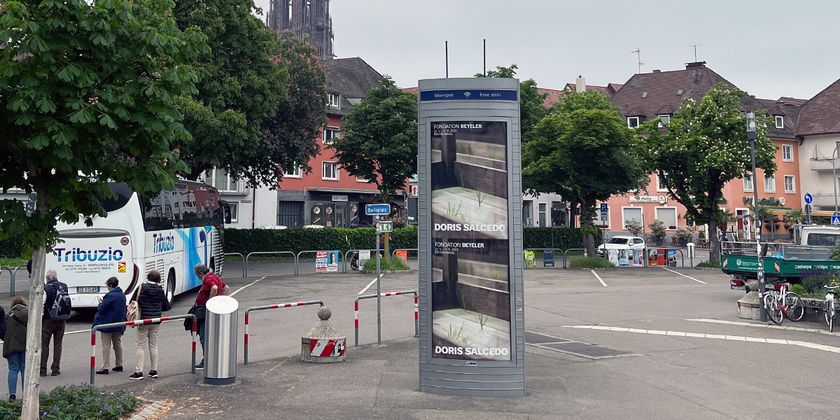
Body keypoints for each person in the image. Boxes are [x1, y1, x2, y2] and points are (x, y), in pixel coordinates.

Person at [130, 270, 171, 380]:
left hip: (143, 320)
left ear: (148, 277)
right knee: (153, 345)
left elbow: (132, 302)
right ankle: (154, 370)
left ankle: (139, 372)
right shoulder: (160, 290)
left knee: (140, 346)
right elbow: (167, 306)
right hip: (156, 321)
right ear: (158, 279)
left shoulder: (141, 288)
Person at [193, 264, 229, 369]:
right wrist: (220, 300)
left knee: (203, 335)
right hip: (214, 309)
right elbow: (226, 288)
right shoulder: (215, 276)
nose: (197, 277)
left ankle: (207, 360)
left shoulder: (208, 279)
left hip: (206, 311)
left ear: (200, 273)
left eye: (197, 275)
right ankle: (212, 357)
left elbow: (214, 287)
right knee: (211, 335)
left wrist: (210, 301)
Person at [92, 277, 126, 375]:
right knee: (117, 344)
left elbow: (102, 309)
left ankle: (105, 367)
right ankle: (119, 364)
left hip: (108, 323)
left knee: (106, 345)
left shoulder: (110, 296)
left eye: (107, 285)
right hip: (119, 322)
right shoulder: (122, 295)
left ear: (110, 285)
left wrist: (100, 302)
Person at [41, 269, 67, 376]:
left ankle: (43, 369)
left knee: (45, 345)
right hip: (61, 319)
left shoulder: (45, 288)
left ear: (47, 278)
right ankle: (55, 369)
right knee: (58, 345)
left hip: (48, 320)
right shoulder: (64, 286)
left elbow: (42, 303)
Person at [4, 296, 28, 402]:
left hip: (11, 345)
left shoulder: (8, 315)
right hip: (25, 344)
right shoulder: (29, 314)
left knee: (13, 369)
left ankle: (12, 395)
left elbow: (4, 330)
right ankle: (26, 393)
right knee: (24, 368)